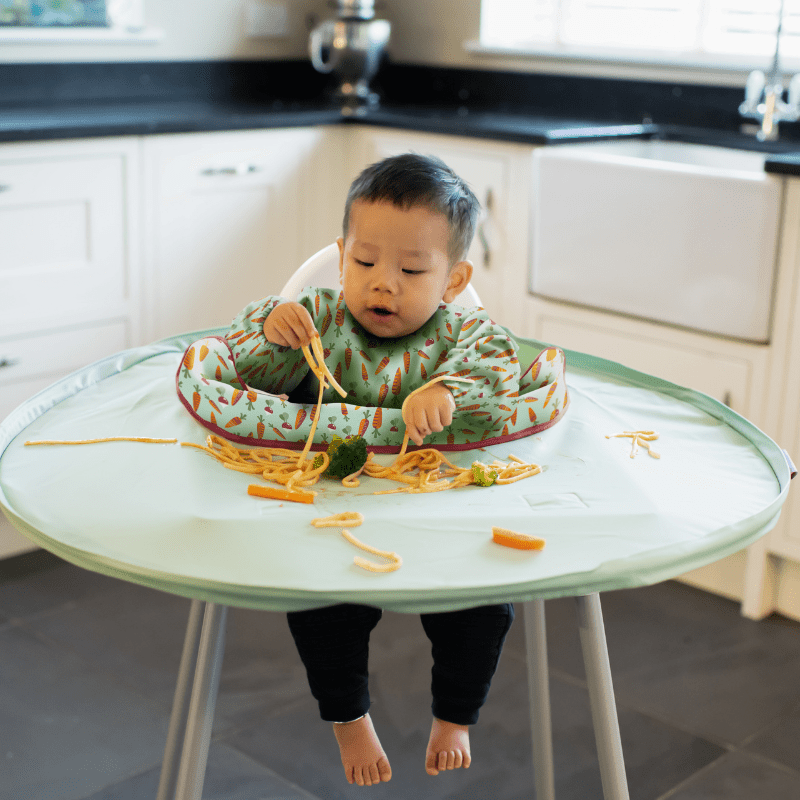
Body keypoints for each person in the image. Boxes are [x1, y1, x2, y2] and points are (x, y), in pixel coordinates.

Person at [224, 153, 520, 786]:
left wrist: (448, 391)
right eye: (364, 263)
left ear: (452, 279)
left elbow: (500, 367)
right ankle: (348, 716)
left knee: (485, 601)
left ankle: (456, 716)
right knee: (316, 597)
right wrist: (273, 333)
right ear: (340, 259)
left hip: (436, 507)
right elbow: (249, 375)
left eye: (411, 269)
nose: (383, 283)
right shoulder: (322, 319)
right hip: (336, 506)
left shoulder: (462, 333)